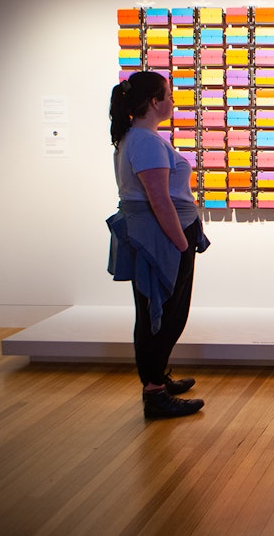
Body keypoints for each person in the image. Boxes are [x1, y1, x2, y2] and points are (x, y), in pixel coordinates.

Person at [106, 71, 209, 420]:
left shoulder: (138, 136)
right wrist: (181, 243)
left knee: (158, 311)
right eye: (168, 94)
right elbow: (159, 201)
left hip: (156, 236)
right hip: (160, 239)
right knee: (161, 315)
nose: (173, 100)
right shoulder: (146, 142)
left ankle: (157, 379)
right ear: (154, 102)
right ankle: (154, 392)